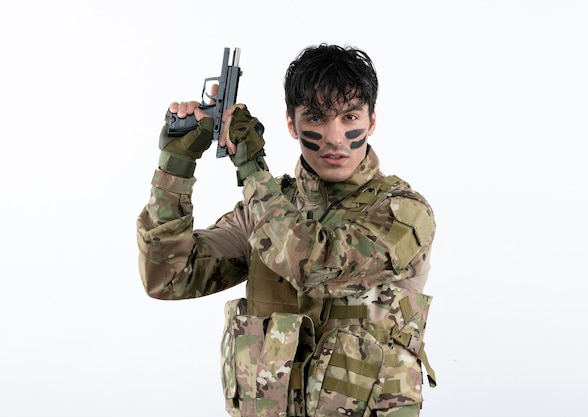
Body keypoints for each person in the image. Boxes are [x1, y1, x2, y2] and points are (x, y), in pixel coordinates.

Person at [137, 43, 437, 417]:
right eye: (315, 118)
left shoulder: (402, 212)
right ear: (291, 125)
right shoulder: (267, 207)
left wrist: (251, 170)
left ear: (372, 121)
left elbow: (313, 265)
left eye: (349, 118)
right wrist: (175, 168)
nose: (333, 137)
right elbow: (169, 277)